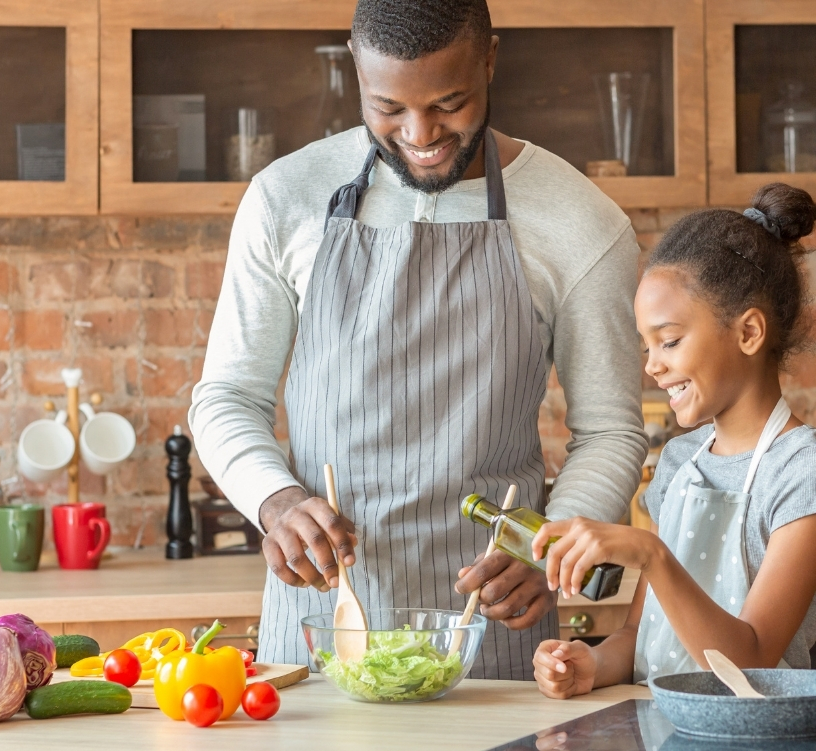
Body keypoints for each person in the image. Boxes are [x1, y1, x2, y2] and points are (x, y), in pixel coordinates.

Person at [189, 0, 648, 679]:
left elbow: (611, 430)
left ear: (491, 59)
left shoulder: (581, 221)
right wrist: (275, 500)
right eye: (389, 108)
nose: (420, 132)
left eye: (449, 103)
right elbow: (226, 395)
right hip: (322, 631)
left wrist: (549, 549)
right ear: (355, 68)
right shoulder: (284, 197)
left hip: (494, 636)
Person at [532, 183, 816, 698]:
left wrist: (652, 554)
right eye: (646, 345)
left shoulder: (802, 472)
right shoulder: (681, 462)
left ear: (748, 332)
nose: (652, 365)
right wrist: (591, 664)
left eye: (670, 340)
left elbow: (750, 661)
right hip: (660, 727)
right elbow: (642, 638)